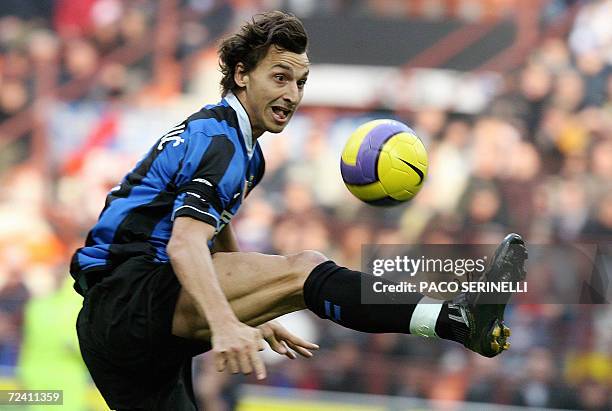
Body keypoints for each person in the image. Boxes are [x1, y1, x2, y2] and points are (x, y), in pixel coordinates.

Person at [71, 11, 528, 411]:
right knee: (305, 270)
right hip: (130, 300)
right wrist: (227, 320)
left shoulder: (242, 147)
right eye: (280, 77)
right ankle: (453, 318)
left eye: (300, 82)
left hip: (119, 323)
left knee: (294, 280)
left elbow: (215, 232)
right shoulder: (223, 144)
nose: (292, 94)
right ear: (241, 73)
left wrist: (255, 307)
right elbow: (186, 242)